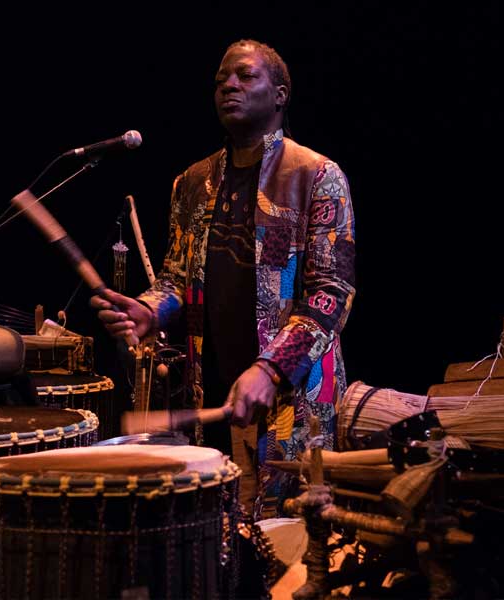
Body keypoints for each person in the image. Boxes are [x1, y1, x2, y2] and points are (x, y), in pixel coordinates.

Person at [91, 39, 356, 518]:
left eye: (245, 75)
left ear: (280, 94)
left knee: (291, 539)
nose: (229, 85)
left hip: (291, 398)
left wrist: (272, 368)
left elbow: (330, 294)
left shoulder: (317, 176)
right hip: (211, 389)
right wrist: (150, 309)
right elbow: (177, 276)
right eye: (220, 80)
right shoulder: (191, 182)